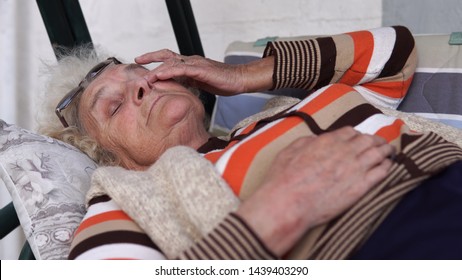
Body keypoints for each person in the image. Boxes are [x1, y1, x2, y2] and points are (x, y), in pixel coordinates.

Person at [37, 25, 462, 260]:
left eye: (141, 73)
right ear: (106, 155)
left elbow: (397, 54)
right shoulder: (127, 196)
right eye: (113, 106)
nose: (143, 85)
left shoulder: (278, 109)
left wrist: (244, 75)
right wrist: (282, 210)